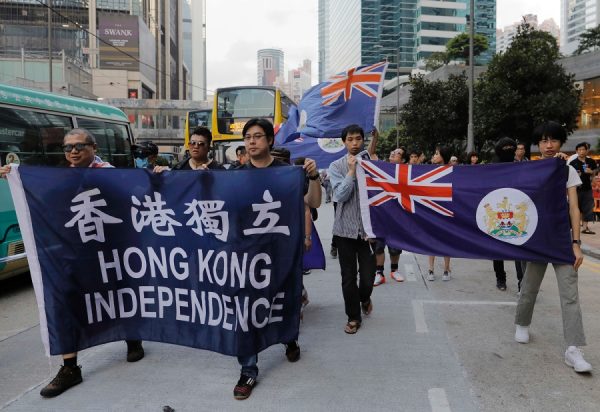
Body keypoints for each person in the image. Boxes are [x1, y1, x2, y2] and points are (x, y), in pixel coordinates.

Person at [1, 129, 145, 398]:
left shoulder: (110, 174)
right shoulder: (61, 176)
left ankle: (132, 337)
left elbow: (136, 194)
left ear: (93, 148)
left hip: (108, 250)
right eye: (68, 148)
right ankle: (70, 367)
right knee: (65, 301)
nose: (73, 152)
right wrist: (15, 175)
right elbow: (42, 195)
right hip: (73, 253)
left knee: (117, 295)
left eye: (80, 146)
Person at [233, 118, 321, 400]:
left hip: (283, 251)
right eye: (248, 137)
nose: (252, 141)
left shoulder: (288, 174)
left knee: (284, 299)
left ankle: (289, 337)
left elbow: (315, 203)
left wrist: (315, 177)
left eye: (258, 136)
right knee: (246, 309)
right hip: (247, 254)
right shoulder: (235, 176)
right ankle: (248, 369)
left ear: (270, 140)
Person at [514, 121, 591, 373]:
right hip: (536, 239)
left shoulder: (567, 170)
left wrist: (576, 244)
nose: (549, 145)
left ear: (560, 143)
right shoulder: (530, 169)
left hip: (562, 241)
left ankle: (573, 349)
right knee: (529, 287)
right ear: (537, 144)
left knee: (570, 295)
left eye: (554, 140)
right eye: (544, 140)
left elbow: (574, 208)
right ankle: (522, 323)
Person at [328, 124, 377, 335]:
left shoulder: (372, 165)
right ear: (344, 142)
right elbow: (339, 196)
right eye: (350, 139)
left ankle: (365, 297)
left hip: (367, 232)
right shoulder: (336, 166)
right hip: (344, 231)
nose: (355, 143)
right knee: (348, 277)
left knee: (368, 277)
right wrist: (350, 171)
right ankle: (353, 317)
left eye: (358, 139)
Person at [491, 137, 525, 291]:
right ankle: (500, 277)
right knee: (497, 248)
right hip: (498, 211)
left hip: (516, 211)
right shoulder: (492, 169)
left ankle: (522, 281)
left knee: (518, 247)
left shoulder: (522, 167)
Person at [427, 146, 452, 281]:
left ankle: (446, 269)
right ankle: (430, 269)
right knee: (432, 240)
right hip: (432, 210)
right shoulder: (428, 171)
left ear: (443, 155)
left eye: (437, 153)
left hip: (446, 210)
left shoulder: (451, 171)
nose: (434, 155)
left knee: (445, 241)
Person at [568, 142, 597, 235]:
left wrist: (591, 172)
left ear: (586, 150)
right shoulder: (573, 163)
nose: (581, 151)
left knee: (588, 207)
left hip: (587, 188)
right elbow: (568, 175)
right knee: (574, 207)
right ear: (576, 151)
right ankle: (572, 227)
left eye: (583, 149)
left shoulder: (591, 161)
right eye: (579, 150)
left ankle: (585, 228)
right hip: (575, 189)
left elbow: (595, 173)